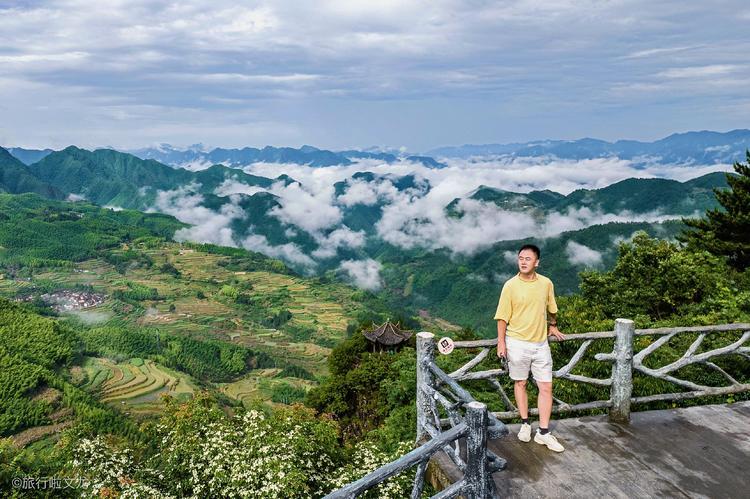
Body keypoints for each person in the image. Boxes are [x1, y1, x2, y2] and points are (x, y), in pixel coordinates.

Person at [494, 244, 566, 452]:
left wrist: (553, 326)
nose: (523, 262)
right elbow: (502, 316)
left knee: (546, 386)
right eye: (520, 258)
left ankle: (543, 432)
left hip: (541, 343)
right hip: (516, 342)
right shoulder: (510, 285)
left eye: (528, 258)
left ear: (537, 262)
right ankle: (525, 423)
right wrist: (501, 342)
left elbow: (552, 308)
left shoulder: (546, 284)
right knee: (521, 383)